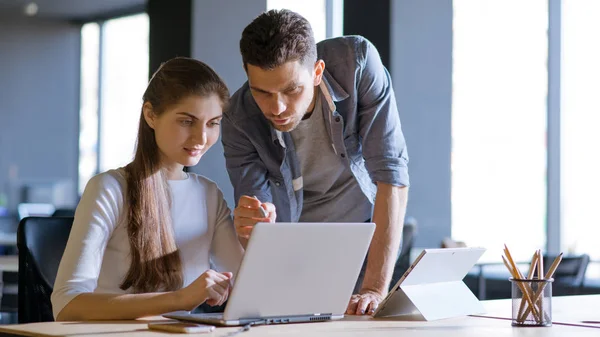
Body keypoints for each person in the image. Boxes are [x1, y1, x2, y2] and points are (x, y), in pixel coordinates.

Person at [222, 9, 409, 316]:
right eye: (262, 93)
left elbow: (391, 175)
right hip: (297, 254)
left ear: (317, 71)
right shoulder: (238, 119)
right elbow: (261, 228)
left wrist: (374, 290)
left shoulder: (358, 64)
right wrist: (251, 226)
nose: (277, 107)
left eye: (291, 90)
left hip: (367, 242)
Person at [52, 57, 244, 321]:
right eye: (187, 121)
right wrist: (181, 298)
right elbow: (67, 304)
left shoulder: (209, 195)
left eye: (213, 123)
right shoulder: (109, 189)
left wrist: (256, 234)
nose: (201, 138)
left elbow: (245, 286)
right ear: (151, 115)